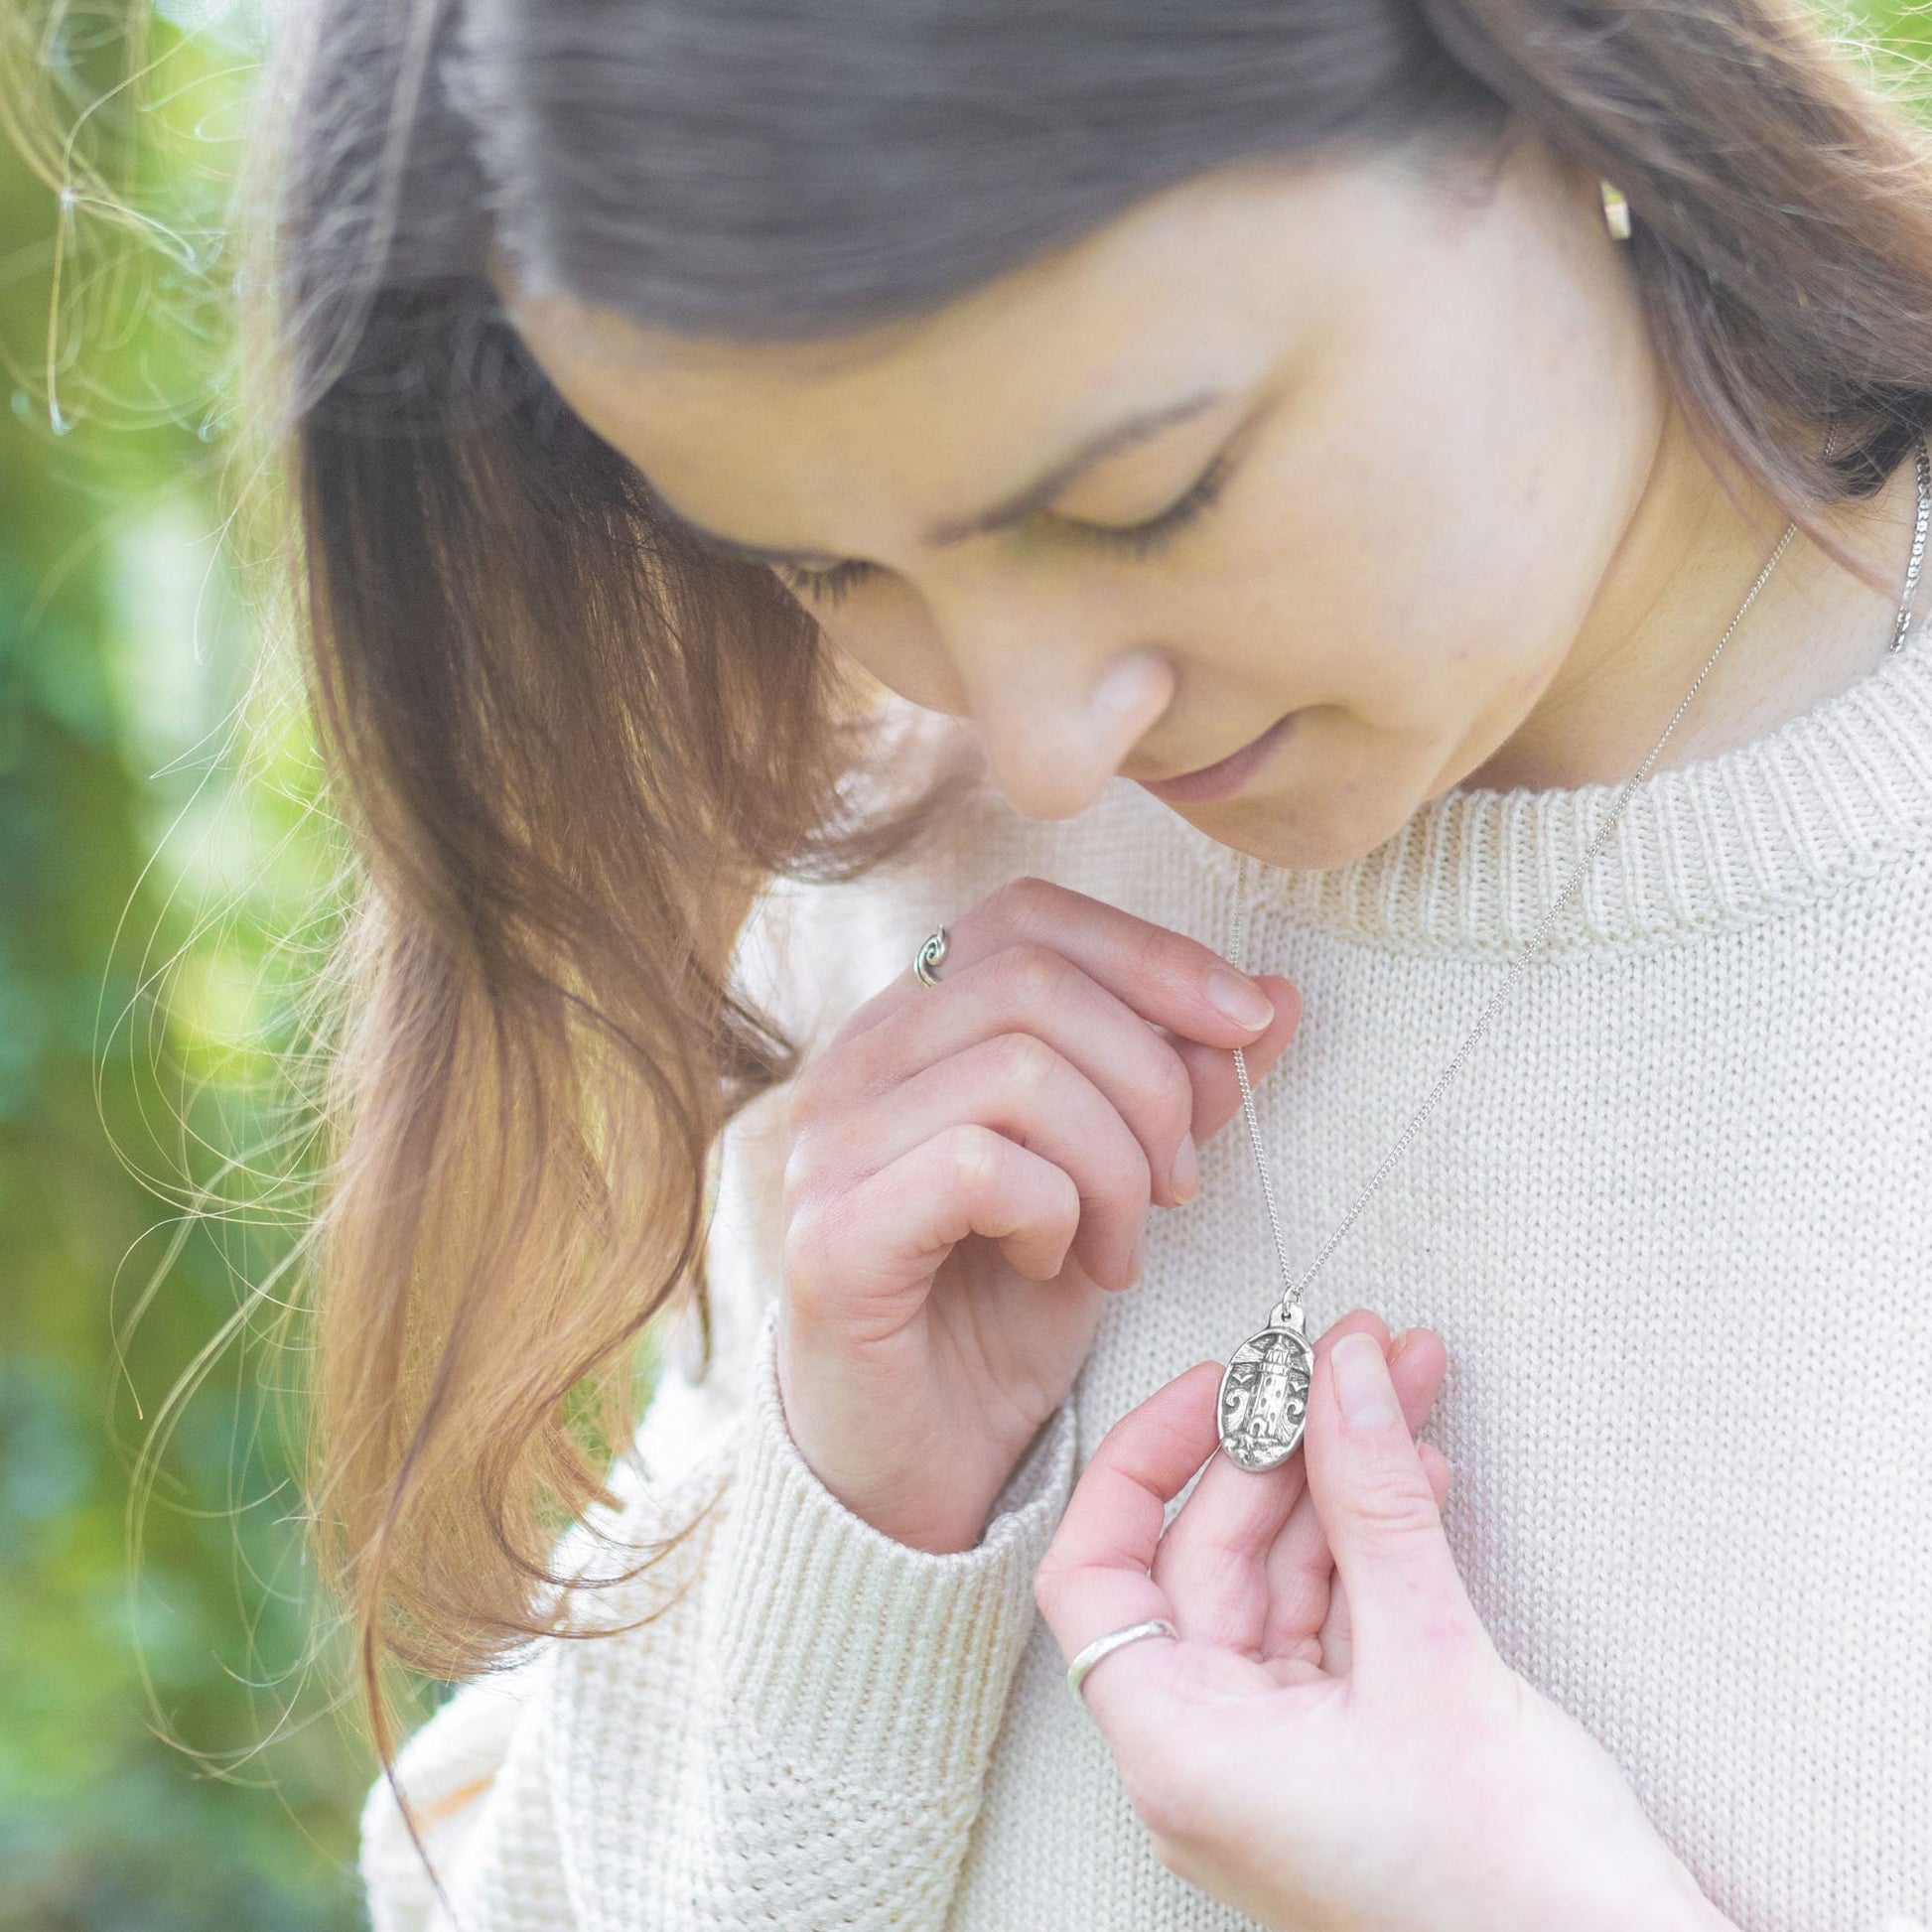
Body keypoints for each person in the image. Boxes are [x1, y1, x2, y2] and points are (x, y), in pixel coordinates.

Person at [255, 0, 1932, 1926]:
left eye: (1146, 495)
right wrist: (847, 1549)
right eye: (828, 568)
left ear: (1555, 90)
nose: (1044, 743)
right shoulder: (892, 891)